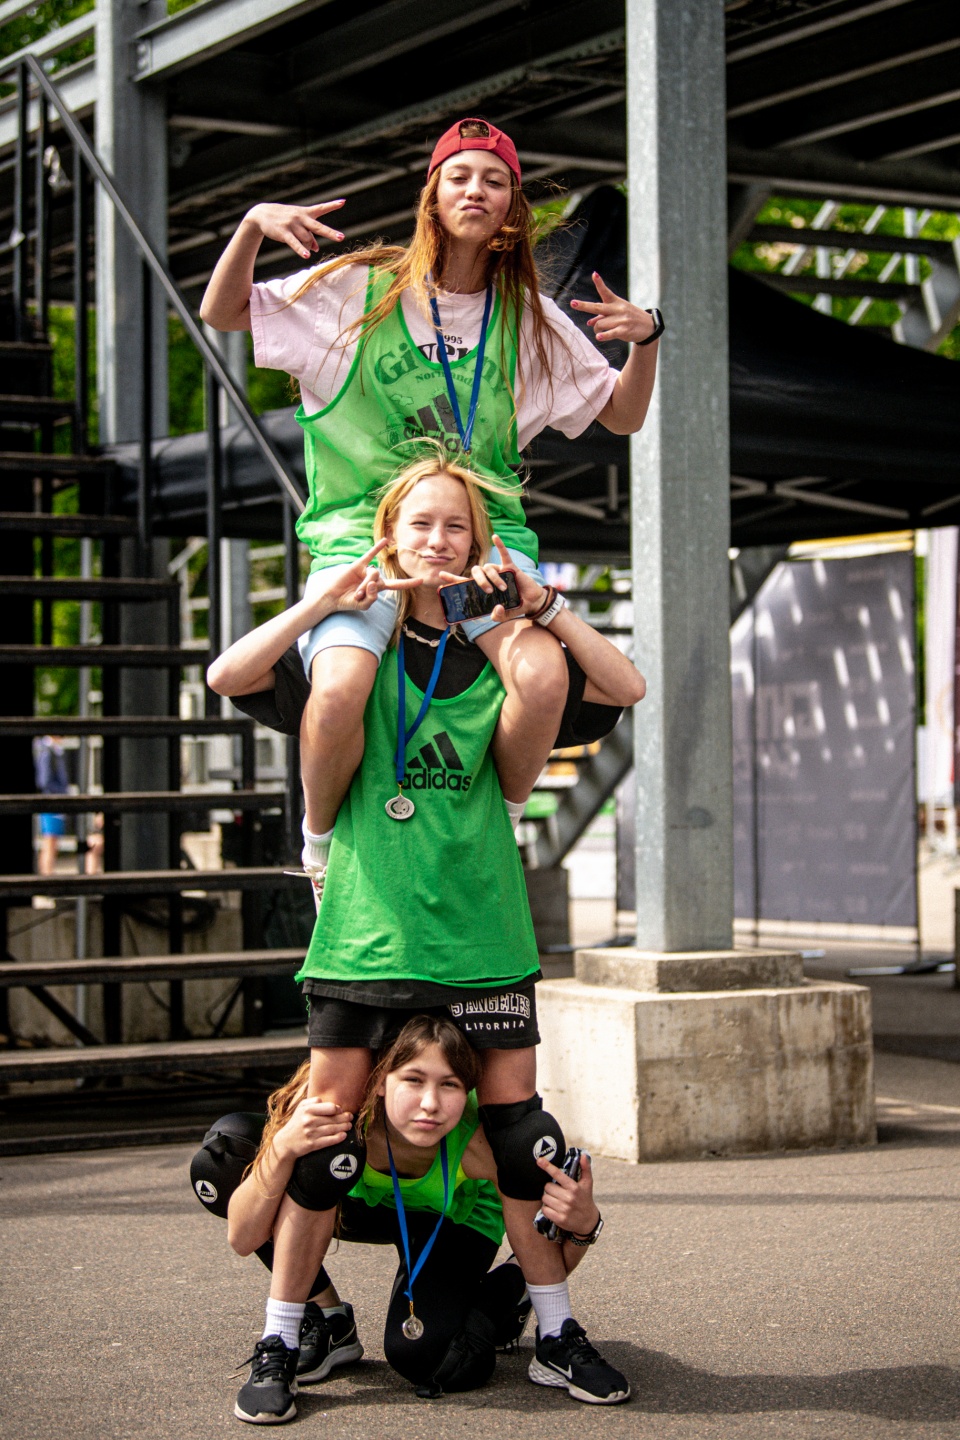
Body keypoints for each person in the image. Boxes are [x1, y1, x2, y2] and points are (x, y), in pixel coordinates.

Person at [206, 451, 643, 1415]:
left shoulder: (503, 648)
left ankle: (557, 1331)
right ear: (391, 538)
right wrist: (322, 600)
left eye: (456, 526)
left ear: (479, 543)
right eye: (421, 524)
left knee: (521, 1138)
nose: (438, 540)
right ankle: (283, 1338)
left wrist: (541, 601)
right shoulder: (350, 652)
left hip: (483, 935)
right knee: (322, 1138)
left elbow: (625, 686)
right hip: (367, 936)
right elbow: (227, 672)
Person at [199, 115, 660, 894]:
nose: (476, 190)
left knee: (544, 679)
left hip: (484, 546)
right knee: (339, 687)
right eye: (460, 176)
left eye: (495, 180)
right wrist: (251, 227)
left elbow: (622, 415)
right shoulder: (359, 290)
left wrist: (647, 341)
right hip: (366, 543)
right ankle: (319, 850)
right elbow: (225, 311)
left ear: (513, 204)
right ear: (432, 195)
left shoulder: (529, 319)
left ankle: (497, 830)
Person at [191, 1014, 621, 1423]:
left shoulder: (479, 1143)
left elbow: (551, 1248)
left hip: (453, 1220)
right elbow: (244, 1237)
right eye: (413, 1080)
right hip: (366, 1207)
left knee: (427, 1357)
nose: (430, 1104)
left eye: (450, 1085)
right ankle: (327, 1318)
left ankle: (507, 1288)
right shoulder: (334, 1108)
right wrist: (283, 1148)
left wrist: (585, 1226)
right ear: (379, 1079)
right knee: (227, 1156)